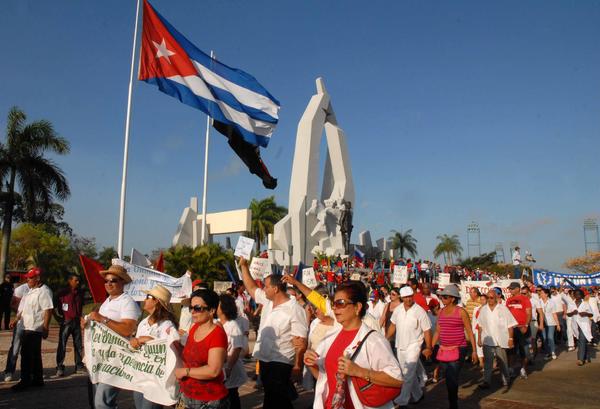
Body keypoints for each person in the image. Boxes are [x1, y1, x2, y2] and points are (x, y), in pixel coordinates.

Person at [304, 281, 403, 409]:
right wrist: (311, 364)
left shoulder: (374, 340)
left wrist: (359, 371)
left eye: (340, 304)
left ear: (357, 307)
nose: (334, 308)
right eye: (334, 304)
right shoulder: (331, 337)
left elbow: (397, 379)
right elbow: (328, 379)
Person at [239, 257, 308, 409]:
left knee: (278, 399)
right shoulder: (268, 301)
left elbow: (300, 340)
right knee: (272, 397)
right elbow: (251, 288)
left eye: (266, 286)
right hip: (264, 359)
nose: (263, 289)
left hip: (281, 362)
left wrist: (297, 365)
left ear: (275, 288)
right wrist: (244, 266)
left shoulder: (295, 309)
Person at [86, 264, 141, 409]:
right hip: (101, 357)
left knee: (101, 402)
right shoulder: (107, 302)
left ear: (122, 282)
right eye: (106, 280)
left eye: (113, 280)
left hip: (116, 359)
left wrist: (102, 319)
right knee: (101, 401)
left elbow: (128, 329)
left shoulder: (127, 302)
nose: (109, 283)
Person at [175, 289, 228, 409]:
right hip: (186, 394)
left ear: (211, 310)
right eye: (191, 308)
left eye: (197, 308)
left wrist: (186, 371)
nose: (192, 312)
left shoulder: (217, 334)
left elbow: (213, 370)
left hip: (208, 400)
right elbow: (192, 355)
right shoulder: (194, 328)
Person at [130, 285, 177, 409]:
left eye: (148, 297)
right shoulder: (143, 323)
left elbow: (170, 349)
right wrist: (134, 342)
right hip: (141, 376)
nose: (144, 300)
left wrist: (149, 340)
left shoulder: (167, 325)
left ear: (156, 301)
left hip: (156, 381)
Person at [386, 286, 432, 409]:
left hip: (414, 345)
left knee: (407, 374)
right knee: (407, 374)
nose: (408, 299)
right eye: (406, 297)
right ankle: (418, 395)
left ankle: (402, 401)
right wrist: (385, 339)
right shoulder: (398, 310)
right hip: (400, 345)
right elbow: (392, 326)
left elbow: (427, 330)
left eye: (410, 296)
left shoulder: (420, 311)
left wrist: (428, 347)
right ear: (402, 298)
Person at [432, 284, 477, 409]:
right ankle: (453, 399)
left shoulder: (461, 312)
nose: (442, 299)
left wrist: (474, 351)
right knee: (448, 377)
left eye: (445, 297)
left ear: (453, 298)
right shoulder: (440, 312)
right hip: (444, 350)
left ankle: (453, 404)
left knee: (452, 378)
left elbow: (469, 331)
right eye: (442, 297)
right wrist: (431, 347)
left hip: (459, 349)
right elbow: (437, 331)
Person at [10, 267, 53, 391]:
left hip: (35, 328)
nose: (27, 280)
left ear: (37, 278)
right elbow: (23, 308)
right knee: (34, 355)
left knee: (27, 355)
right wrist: (16, 320)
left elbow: (48, 309)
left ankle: (25, 380)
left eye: (30, 278)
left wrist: (45, 327)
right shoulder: (30, 291)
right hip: (25, 326)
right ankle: (38, 379)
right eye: (27, 278)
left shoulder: (44, 291)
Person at [476, 289, 517, 390]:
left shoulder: (503, 309)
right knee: (488, 363)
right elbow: (480, 325)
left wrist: (511, 338)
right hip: (488, 340)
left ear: (496, 298)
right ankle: (486, 381)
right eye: (487, 298)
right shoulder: (483, 309)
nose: (489, 300)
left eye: (491, 298)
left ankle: (506, 379)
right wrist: (479, 338)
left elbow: (510, 325)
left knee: (503, 362)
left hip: (500, 340)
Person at [217, 294, 248, 409]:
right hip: (221, 367)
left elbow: (236, 348)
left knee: (231, 396)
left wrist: (229, 367)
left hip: (230, 368)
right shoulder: (217, 323)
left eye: (218, 304)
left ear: (224, 307)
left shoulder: (233, 326)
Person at [54, 273, 85, 377]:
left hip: (76, 322)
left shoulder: (80, 293)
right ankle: (59, 367)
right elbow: (52, 306)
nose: (78, 282)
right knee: (62, 344)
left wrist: (81, 318)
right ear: (70, 281)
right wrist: (57, 317)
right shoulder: (62, 293)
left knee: (78, 345)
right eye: (75, 280)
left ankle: (79, 366)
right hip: (66, 322)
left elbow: (80, 307)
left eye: (78, 280)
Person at [3, 278, 30, 382]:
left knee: (29, 349)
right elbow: (12, 304)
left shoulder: (40, 290)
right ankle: (9, 371)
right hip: (20, 323)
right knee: (15, 347)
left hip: (32, 325)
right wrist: (19, 314)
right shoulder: (20, 289)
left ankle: (27, 373)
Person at [506, 281, 532, 379]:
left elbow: (529, 313)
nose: (510, 290)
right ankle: (511, 369)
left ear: (518, 289)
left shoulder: (525, 299)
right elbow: (506, 314)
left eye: (512, 288)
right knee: (511, 350)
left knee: (524, 350)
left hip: (522, 327)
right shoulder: (508, 300)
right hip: (512, 328)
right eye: (509, 289)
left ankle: (523, 369)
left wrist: (526, 325)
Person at [568, 289, 593, 366]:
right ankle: (586, 356)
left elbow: (591, 314)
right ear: (574, 295)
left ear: (582, 295)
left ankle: (580, 359)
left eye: (579, 294)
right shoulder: (571, 304)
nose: (577, 296)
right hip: (575, 325)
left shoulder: (585, 303)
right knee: (581, 340)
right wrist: (573, 312)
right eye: (576, 294)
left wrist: (585, 313)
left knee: (582, 339)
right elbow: (568, 314)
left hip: (584, 324)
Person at [539, 288, 560, 360]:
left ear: (546, 294)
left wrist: (558, 324)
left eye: (542, 293)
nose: (540, 294)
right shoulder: (539, 301)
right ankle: (548, 353)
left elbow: (554, 313)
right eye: (540, 293)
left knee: (550, 337)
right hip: (543, 322)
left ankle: (553, 352)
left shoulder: (552, 302)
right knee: (544, 338)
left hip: (551, 322)